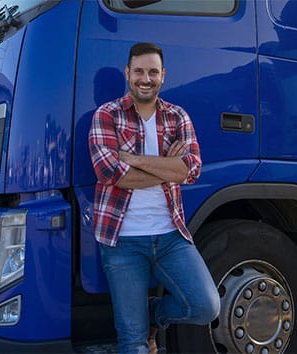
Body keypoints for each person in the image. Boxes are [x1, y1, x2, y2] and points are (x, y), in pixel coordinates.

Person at [88, 42, 220, 354]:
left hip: (171, 236)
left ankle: (155, 312)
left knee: (206, 306)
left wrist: (131, 158)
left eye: (152, 72)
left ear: (163, 76)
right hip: (122, 240)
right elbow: (110, 173)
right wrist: (168, 167)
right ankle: (141, 321)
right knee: (133, 342)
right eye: (139, 71)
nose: (145, 78)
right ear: (127, 74)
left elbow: (192, 170)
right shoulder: (106, 115)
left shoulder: (177, 116)